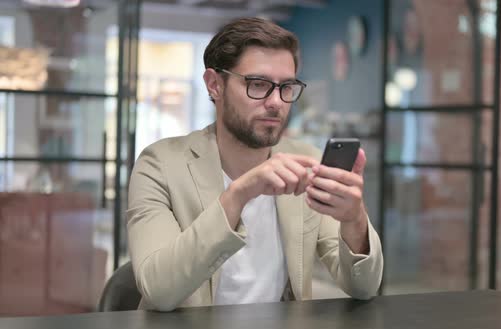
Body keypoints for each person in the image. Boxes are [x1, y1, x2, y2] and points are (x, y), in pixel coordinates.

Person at [127, 17, 383, 311]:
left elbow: (364, 288)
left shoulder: (307, 163)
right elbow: (158, 291)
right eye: (259, 85)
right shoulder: (159, 165)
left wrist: (354, 220)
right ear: (214, 85)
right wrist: (240, 193)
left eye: (286, 87)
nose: (276, 102)